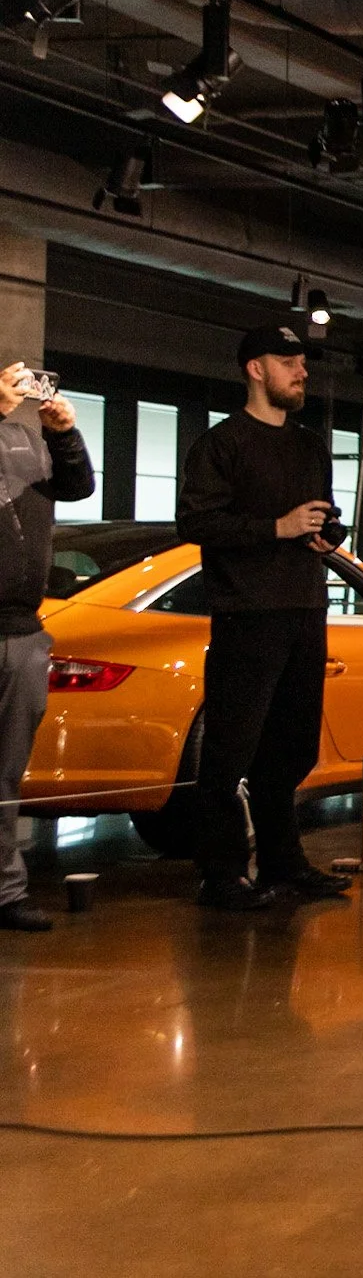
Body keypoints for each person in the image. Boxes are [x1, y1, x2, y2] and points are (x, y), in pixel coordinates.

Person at [176, 324, 354, 910]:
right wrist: (274, 528)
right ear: (255, 368)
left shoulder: (309, 444)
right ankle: (221, 873)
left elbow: (320, 514)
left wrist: (327, 534)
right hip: (246, 612)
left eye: (302, 361)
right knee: (228, 752)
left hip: (305, 606)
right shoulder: (221, 444)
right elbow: (197, 524)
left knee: (295, 747)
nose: (301, 371)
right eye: (288, 361)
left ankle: (284, 863)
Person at [0, 363, 94, 931]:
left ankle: (5, 891)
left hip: (22, 630)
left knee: (6, 775)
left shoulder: (24, 439)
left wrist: (64, 434)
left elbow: (77, 486)